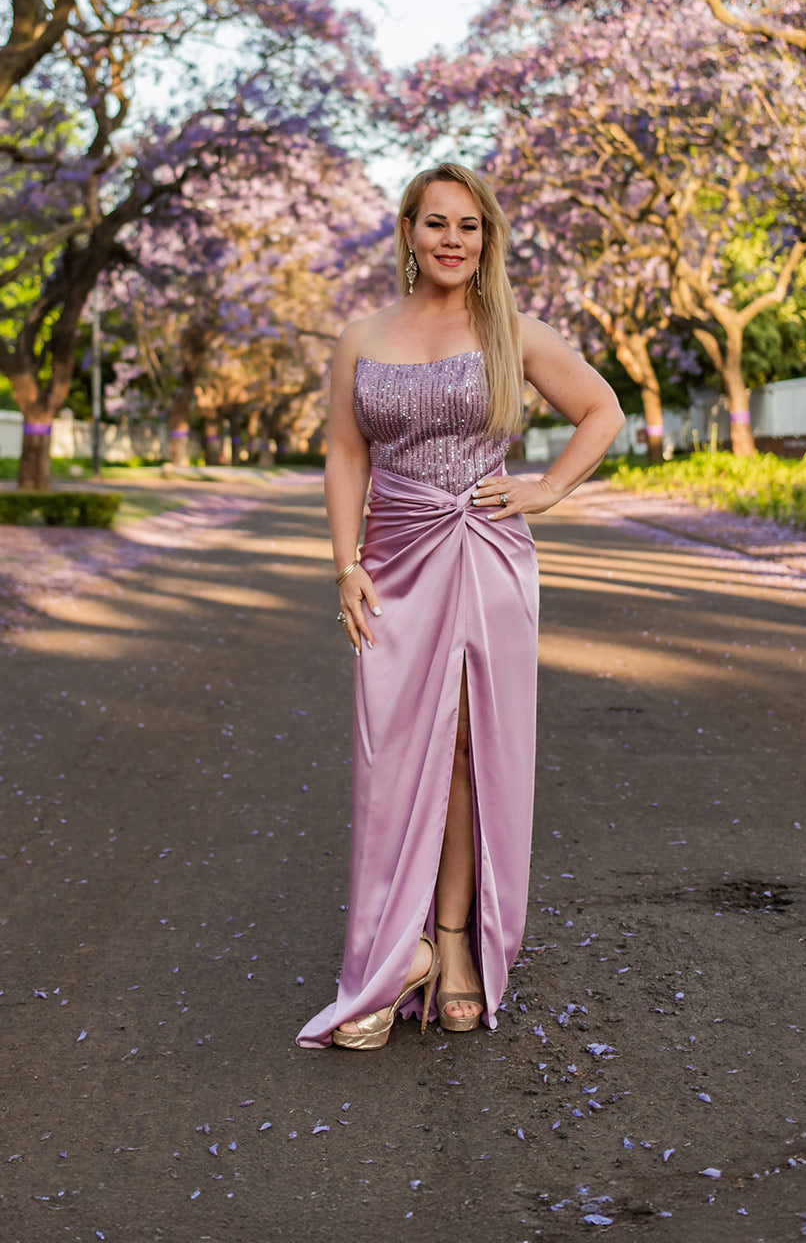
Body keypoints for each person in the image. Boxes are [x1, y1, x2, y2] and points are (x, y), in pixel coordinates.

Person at [297, 162, 624, 1050]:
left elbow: (602, 410)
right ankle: (390, 949)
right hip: (395, 557)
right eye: (435, 222)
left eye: (469, 227)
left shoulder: (512, 329)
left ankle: (452, 944)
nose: (452, 239)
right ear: (407, 231)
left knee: (471, 745)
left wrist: (549, 489)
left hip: (487, 551)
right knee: (398, 747)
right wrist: (345, 564)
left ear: (487, 240)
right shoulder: (361, 336)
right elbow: (342, 452)